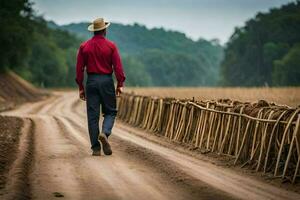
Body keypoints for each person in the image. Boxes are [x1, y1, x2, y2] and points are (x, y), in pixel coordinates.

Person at [75, 18, 125, 156]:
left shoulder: (84, 46)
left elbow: (79, 69)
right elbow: (118, 67)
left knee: (92, 116)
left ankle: (96, 148)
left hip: (91, 81)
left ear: (94, 31)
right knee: (110, 111)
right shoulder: (111, 46)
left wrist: (80, 86)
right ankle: (105, 133)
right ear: (104, 30)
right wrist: (120, 84)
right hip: (106, 81)